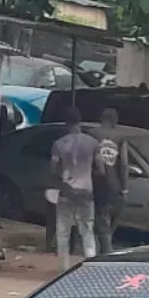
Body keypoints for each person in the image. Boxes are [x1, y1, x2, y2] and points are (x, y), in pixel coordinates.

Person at [48, 107, 99, 263]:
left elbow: (53, 170)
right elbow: (101, 169)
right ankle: (90, 264)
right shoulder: (93, 143)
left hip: (66, 191)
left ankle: (63, 267)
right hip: (86, 191)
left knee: (63, 231)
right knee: (87, 230)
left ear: (66, 123)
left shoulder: (59, 144)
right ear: (80, 121)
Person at [92, 108, 128, 256]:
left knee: (101, 222)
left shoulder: (93, 134)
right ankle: (106, 252)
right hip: (115, 186)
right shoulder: (120, 138)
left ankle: (104, 252)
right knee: (110, 223)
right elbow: (124, 164)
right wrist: (124, 188)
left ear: (101, 118)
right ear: (115, 121)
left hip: (97, 183)